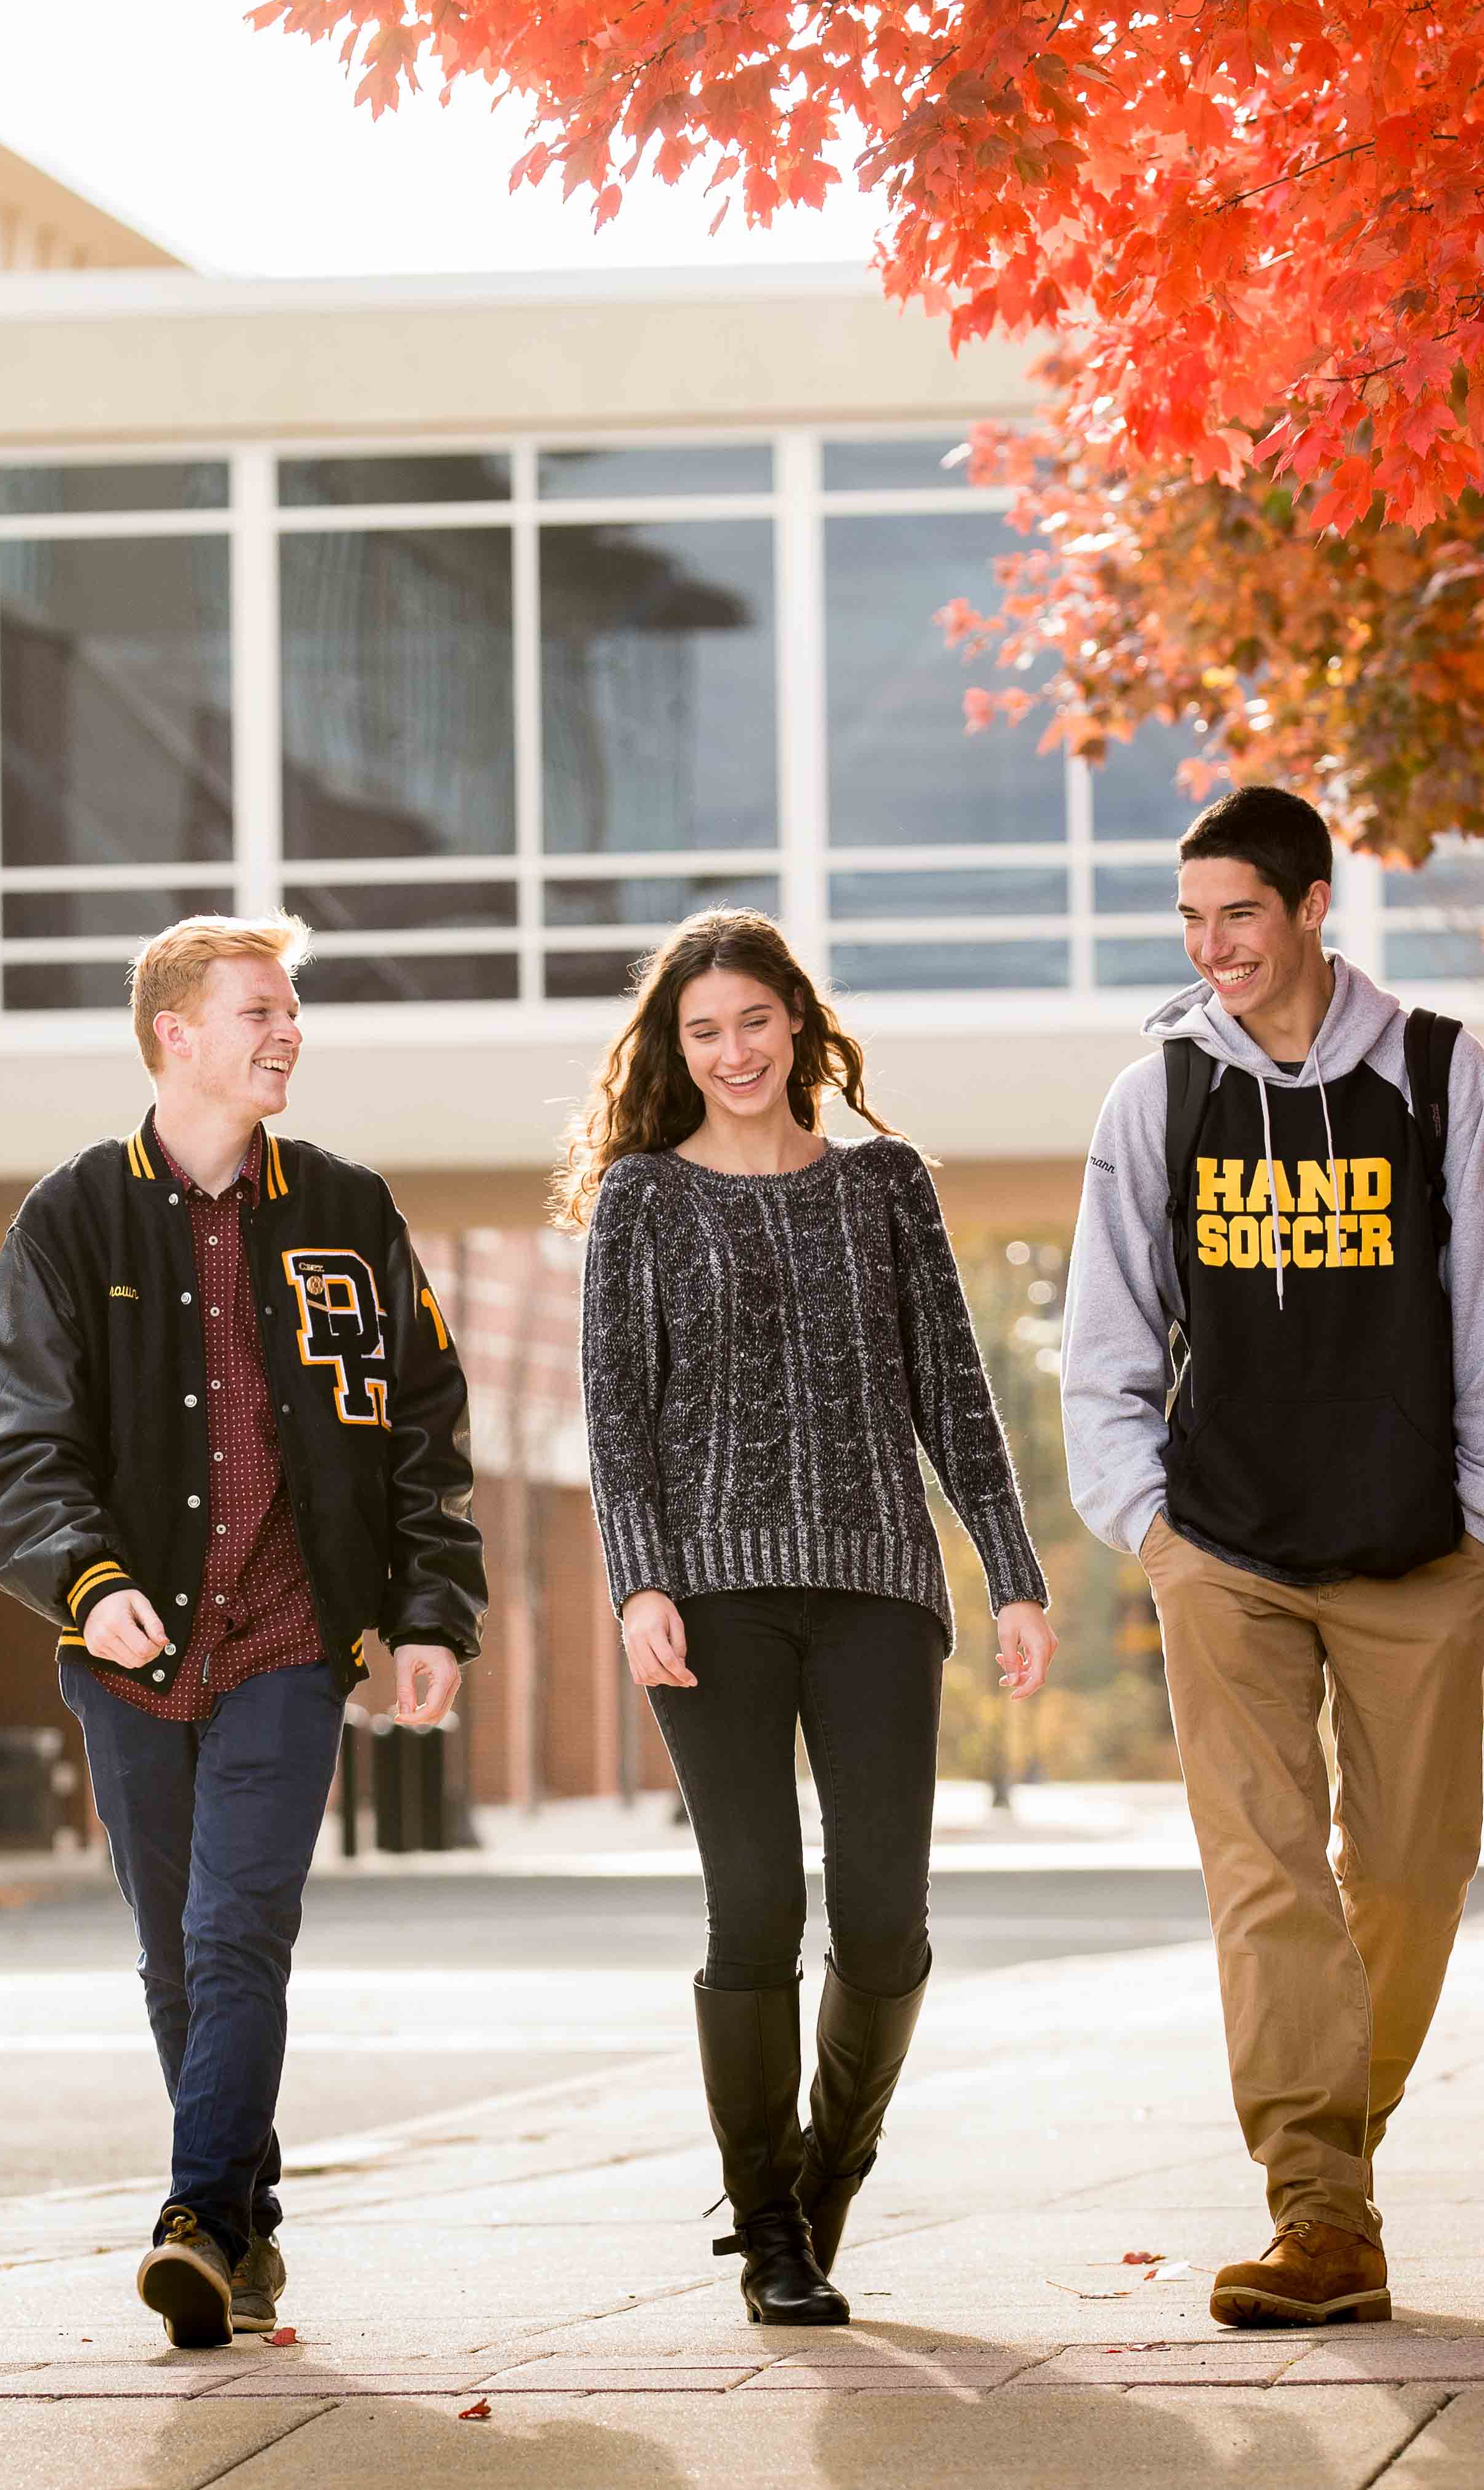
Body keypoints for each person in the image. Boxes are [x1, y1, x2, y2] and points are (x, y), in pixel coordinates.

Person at [1062, 784, 1484, 2330]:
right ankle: (1320, 2208)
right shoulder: (1161, 1096)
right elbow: (1109, 1328)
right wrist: (1145, 1519)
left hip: (1417, 1547)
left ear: (1311, 908)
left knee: (1410, 1878)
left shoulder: (1431, 1072)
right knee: (1266, 1878)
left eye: (1243, 916)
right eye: (1195, 920)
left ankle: (1334, 2142)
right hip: (1228, 1551)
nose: (1217, 947)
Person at [0, 913, 485, 2351]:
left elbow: (424, 1429)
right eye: (258, 1008)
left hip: (289, 1637)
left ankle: (192, 2217)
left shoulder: (347, 1208)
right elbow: (12, 1445)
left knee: (241, 1926)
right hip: (129, 1652)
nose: (287, 1030)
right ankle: (245, 2226)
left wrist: (432, 1607)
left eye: (294, 1009)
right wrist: (85, 1578)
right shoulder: (72, 1217)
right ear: (173, 1035)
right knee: (179, 1956)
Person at [552, 909, 1057, 2326]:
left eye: (752, 1023)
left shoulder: (885, 1186)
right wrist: (637, 1578)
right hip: (710, 1599)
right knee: (758, 1901)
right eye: (702, 1031)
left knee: (886, 1917)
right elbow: (617, 1415)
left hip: (879, 1589)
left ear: (799, 1023)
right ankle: (767, 2222)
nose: (731, 1053)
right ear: (675, 1046)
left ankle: (826, 2174)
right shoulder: (646, 1199)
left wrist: (1010, 1571)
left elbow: (954, 1390)